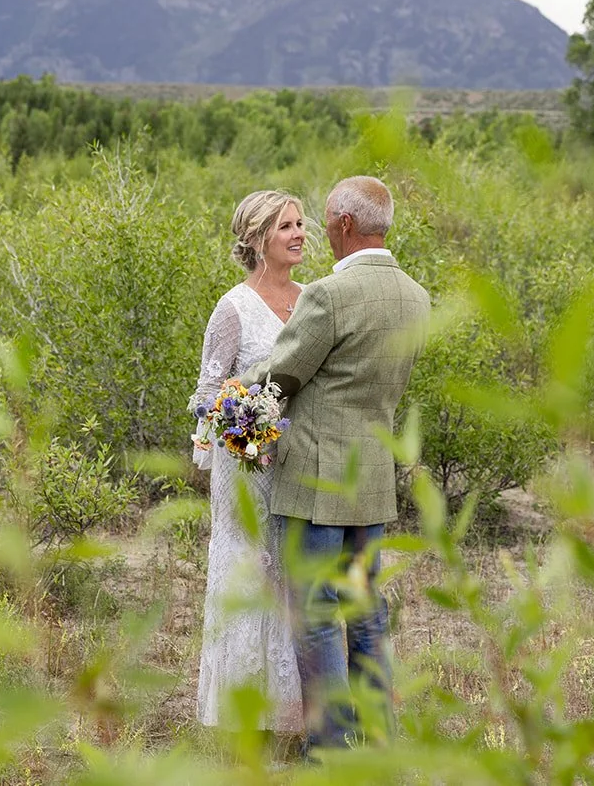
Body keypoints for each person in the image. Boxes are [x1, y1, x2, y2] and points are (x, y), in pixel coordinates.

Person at [242, 175, 431, 756]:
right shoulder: (416, 297)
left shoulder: (328, 295)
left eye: (324, 222)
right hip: (372, 479)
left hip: (316, 484)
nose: (320, 233)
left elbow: (281, 375)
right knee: (367, 612)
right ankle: (380, 739)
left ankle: (327, 750)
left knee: (317, 616)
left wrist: (231, 400)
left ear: (346, 225)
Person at [187, 190, 307, 737]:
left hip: (301, 463)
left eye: (302, 223)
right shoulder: (231, 307)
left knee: (291, 572)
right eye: (287, 226)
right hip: (249, 466)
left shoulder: (312, 300)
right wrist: (248, 435)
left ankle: (292, 712)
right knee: (250, 567)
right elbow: (209, 392)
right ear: (259, 239)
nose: (300, 234)